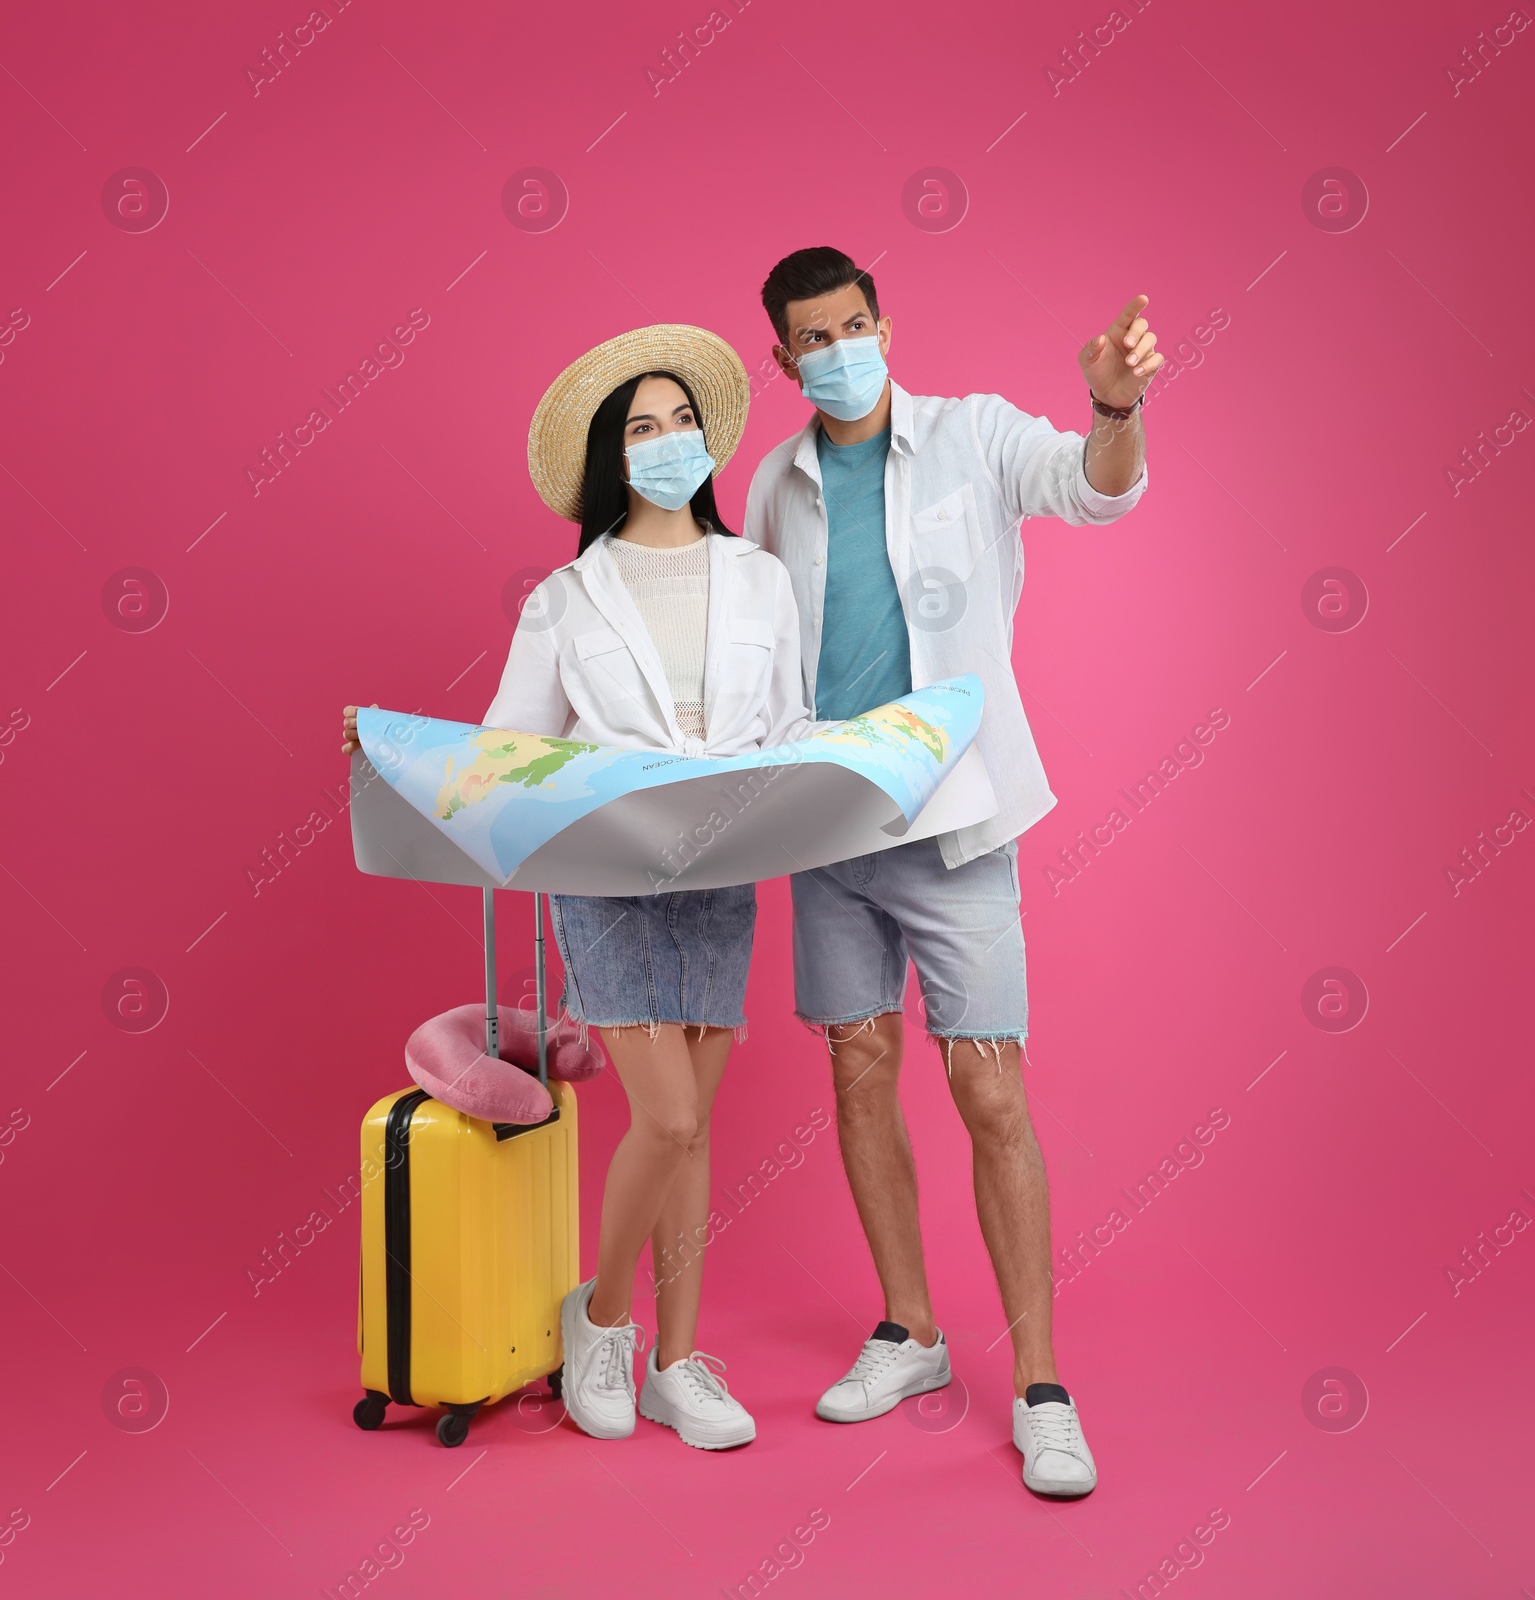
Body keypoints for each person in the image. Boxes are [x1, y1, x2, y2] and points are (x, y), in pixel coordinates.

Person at [343, 324, 811, 1450]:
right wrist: (388, 742)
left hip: (724, 865)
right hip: (607, 872)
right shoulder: (567, 594)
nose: (664, 442)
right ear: (613, 460)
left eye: (677, 422)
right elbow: (511, 747)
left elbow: (790, 727)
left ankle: (681, 1360)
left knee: (694, 1136)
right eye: (639, 429)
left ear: (706, 439)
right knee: (670, 1113)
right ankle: (601, 1319)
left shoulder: (761, 579)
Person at [744, 247, 1162, 1497]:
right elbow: (763, 649)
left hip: (957, 823)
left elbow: (1095, 494)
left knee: (988, 1092)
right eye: (811, 339)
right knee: (859, 1071)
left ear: (883, 321)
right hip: (829, 834)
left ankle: (1040, 1384)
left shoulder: (972, 435)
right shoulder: (775, 483)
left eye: (853, 325)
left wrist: (1114, 407)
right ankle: (912, 1331)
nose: (838, 350)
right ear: (781, 360)